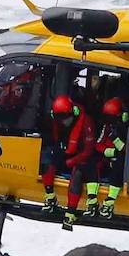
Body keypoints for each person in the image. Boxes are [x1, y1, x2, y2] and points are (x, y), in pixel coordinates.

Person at [40, 94, 96, 229]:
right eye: (60, 118)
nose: (63, 121)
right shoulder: (55, 121)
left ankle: (71, 211)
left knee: (79, 172)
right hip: (65, 152)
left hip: (81, 156)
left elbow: (88, 151)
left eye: (65, 118)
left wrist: (71, 162)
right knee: (47, 158)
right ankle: (50, 196)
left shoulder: (86, 123)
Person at [86, 96, 129, 219]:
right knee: (90, 162)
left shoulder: (127, 129)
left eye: (112, 118)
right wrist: (109, 152)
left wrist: (116, 140)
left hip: (121, 162)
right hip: (107, 158)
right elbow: (98, 144)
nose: (110, 121)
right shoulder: (107, 127)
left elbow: (127, 150)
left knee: (120, 163)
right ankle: (92, 199)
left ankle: (109, 201)